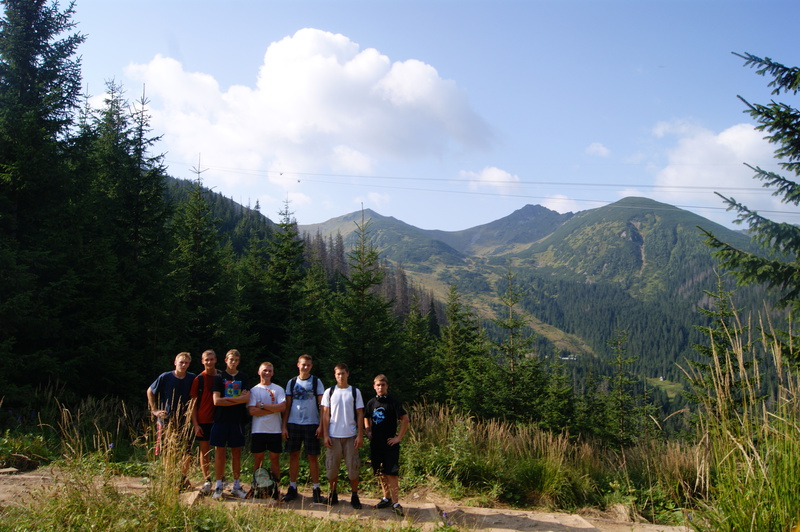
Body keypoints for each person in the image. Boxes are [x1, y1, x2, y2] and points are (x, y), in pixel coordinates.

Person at [146, 352, 196, 490]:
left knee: (186, 451)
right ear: (175, 363)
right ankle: (168, 478)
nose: (183, 365)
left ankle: (182, 479)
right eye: (181, 362)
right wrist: (155, 410)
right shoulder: (165, 377)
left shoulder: (192, 378)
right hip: (166, 420)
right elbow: (150, 391)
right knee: (167, 450)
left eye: (186, 363)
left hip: (184, 421)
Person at [281, 354, 326, 503]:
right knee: (293, 455)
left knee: (312, 456)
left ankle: (316, 488)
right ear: (298, 365)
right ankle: (292, 487)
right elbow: (287, 406)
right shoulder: (292, 382)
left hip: (311, 423)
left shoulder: (316, 382)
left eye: (308, 365)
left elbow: (323, 406)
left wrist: (321, 425)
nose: (305, 367)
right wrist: (284, 426)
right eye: (303, 364)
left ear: (311, 366)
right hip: (293, 423)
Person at [364, 374, 410, 516]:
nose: (380, 387)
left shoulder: (393, 402)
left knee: (392, 473)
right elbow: (366, 417)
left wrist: (398, 438)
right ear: (374, 386)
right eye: (378, 385)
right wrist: (368, 431)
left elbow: (405, 419)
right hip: (376, 443)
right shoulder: (371, 403)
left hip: (390, 444)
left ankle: (396, 502)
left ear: (387, 386)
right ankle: (386, 498)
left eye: (383, 385)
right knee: (381, 472)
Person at [320, 363, 364, 509]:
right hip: (333, 435)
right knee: (332, 467)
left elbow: (360, 414)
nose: (341, 376)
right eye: (338, 374)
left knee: (353, 467)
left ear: (347, 374)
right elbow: (325, 414)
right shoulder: (329, 392)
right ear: (335, 375)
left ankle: (354, 495)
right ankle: (333, 494)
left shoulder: (354, 392)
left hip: (350, 435)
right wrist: (325, 435)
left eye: (343, 373)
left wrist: (360, 435)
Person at [210, 349, 250, 500]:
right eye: (231, 359)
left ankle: (236, 485)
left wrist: (228, 400)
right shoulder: (219, 377)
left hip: (237, 420)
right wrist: (238, 399)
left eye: (236, 360)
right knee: (219, 452)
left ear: (239, 362)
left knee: (236, 453)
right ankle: (218, 485)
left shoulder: (243, 377)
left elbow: (246, 399)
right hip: (221, 419)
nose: (233, 362)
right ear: (226, 360)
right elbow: (216, 401)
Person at [247, 361, 286, 497]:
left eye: (269, 370)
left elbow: (282, 407)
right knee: (258, 460)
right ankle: (256, 487)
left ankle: (275, 489)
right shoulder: (254, 390)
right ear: (259, 372)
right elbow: (252, 411)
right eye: (264, 370)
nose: (267, 373)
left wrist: (262, 406)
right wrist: (273, 409)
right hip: (258, 430)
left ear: (273, 373)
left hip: (274, 430)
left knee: (275, 459)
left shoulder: (278, 389)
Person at [190, 349, 218, 496]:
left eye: (211, 359)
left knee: (220, 450)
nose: (209, 362)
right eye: (206, 360)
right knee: (204, 450)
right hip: (203, 420)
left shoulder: (221, 376)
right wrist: (195, 424)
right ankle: (207, 479)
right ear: (202, 361)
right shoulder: (199, 379)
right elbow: (193, 404)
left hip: (219, 419)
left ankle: (220, 478)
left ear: (216, 360)